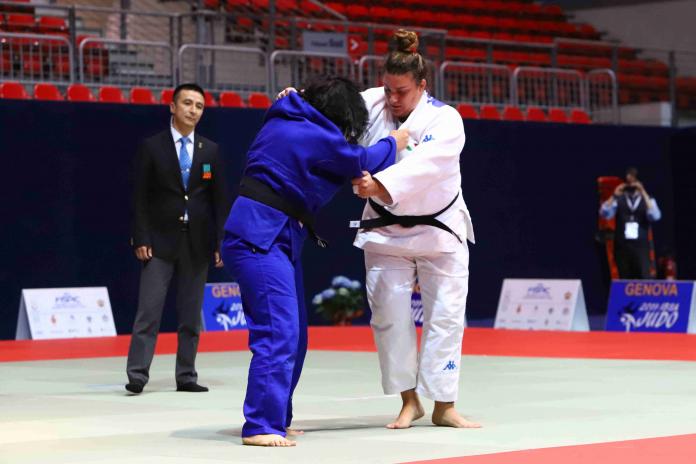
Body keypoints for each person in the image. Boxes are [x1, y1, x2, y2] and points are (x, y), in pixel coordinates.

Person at [222, 75, 409, 447]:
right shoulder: (311, 133)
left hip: (277, 235)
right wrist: (395, 142)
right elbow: (360, 159)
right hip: (260, 236)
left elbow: (296, 104)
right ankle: (260, 424)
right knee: (278, 332)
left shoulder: (287, 114)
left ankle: (277, 416)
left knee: (295, 334)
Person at [351, 29, 480, 430]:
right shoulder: (371, 103)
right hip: (385, 233)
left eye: (401, 91)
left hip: (440, 231)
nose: (392, 98)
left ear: (422, 86)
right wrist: (295, 99)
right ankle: (410, 401)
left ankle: (444, 403)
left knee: (446, 317)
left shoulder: (445, 119)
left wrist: (379, 185)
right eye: (388, 88)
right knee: (389, 318)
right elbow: (327, 107)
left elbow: (427, 167)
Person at [126, 83, 228, 395]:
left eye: (198, 105)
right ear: (172, 107)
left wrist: (221, 242)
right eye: (187, 103)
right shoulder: (152, 147)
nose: (192, 110)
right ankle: (137, 375)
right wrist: (141, 235)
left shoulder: (209, 151)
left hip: (197, 243)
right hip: (159, 242)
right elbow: (140, 196)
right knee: (149, 312)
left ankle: (186, 375)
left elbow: (218, 200)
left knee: (190, 314)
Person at [600, 167, 661, 279]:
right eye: (628, 182)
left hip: (641, 247)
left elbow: (655, 216)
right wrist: (614, 195)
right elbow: (604, 213)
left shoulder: (648, 199)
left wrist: (643, 192)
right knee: (625, 278)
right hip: (622, 246)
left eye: (633, 183)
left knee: (643, 277)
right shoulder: (620, 199)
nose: (631, 186)